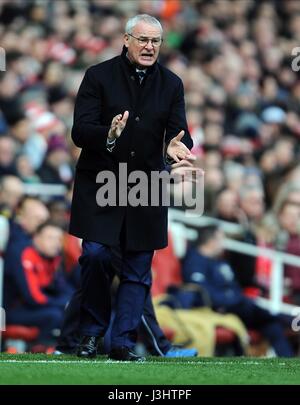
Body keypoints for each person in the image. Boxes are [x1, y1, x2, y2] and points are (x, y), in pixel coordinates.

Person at [68, 14, 195, 361]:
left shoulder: (172, 84)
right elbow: (80, 131)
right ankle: (91, 335)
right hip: (102, 182)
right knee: (94, 255)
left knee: (138, 268)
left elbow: (179, 131)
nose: (149, 47)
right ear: (126, 40)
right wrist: (107, 136)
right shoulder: (98, 76)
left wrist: (172, 148)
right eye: (143, 40)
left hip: (147, 185)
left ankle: (121, 343)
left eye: (156, 41)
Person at [182, 225, 294, 357]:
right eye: (221, 239)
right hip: (219, 308)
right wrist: (227, 300)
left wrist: (233, 298)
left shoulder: (221, 262)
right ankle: (290, 320)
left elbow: (234, 287)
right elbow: (200, 290)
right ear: (211, 240)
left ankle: (290, 368)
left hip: (237, 305)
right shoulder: (195, 259)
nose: (223, 243)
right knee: (259, 312)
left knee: (272, 325)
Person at [4, 221, 73, 346]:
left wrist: (72, 302)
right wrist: (64, 304)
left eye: (59, 239)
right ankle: (41, 349)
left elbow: (63, 287)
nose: (55, 243)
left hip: (33, 308)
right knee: (54, 315)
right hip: (11, 310)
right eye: (50, 238)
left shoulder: (53, 258)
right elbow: (33, 297)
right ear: (36, 238)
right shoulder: (24, 254)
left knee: (70, 311)